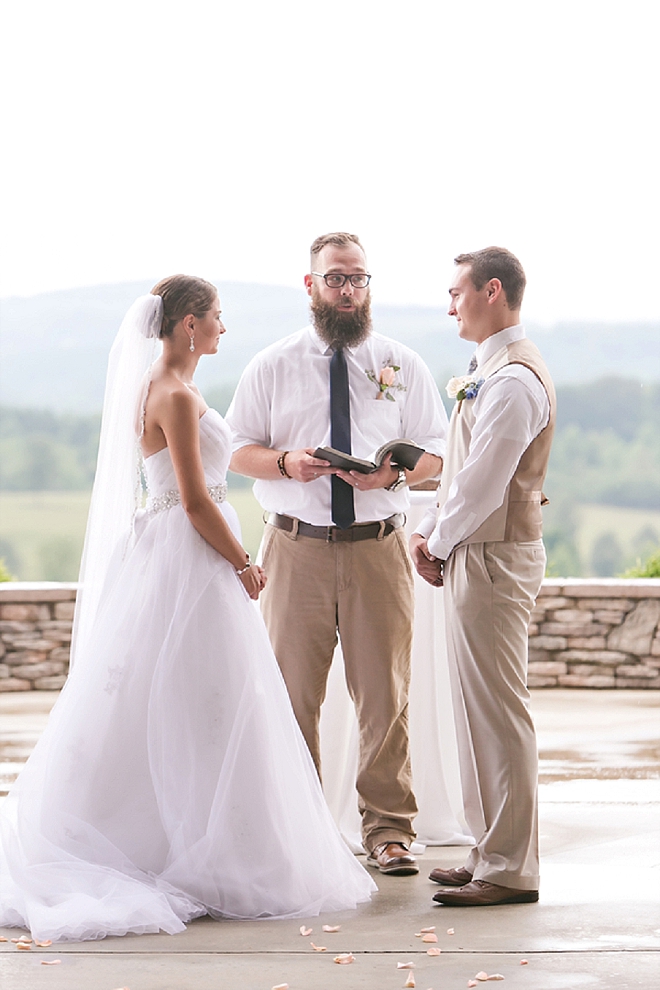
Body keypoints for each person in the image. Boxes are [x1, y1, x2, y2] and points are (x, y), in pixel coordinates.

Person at [0, 276, 375, 943]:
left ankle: (197, 835)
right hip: (190, 554)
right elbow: (197, 500)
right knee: (204, 698)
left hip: (172, 550)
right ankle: (184, 847)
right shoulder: (172, 394)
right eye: (216, 318)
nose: (223, 330)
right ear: (187, 326)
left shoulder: (163, 386)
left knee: (189, 699)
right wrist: (243, 561)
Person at [226, 233, 448, 876]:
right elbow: (236, 450)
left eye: (357, 279)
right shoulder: (272, 365)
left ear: (368, 284)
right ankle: (298, 834)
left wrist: (394, 476)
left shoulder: (401, 363)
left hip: (379, 550)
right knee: (293, 696)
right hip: (295, 548)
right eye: (335, 280)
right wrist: (286, 462)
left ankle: (388, 833)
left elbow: (438, 456)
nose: (347, 290)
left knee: (386, 695)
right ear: (310, 285)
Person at [410, 247, 555, 906]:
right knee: (475, 711)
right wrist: (436, 535)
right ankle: (486, 849)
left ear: (491, 292)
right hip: (478, 551)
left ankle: (510, 869)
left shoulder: (515, 380)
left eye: (456, 293)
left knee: (499, 713)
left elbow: (482, 485)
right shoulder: (489, 370)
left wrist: (436, 542)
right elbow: (464, 473)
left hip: (494, 556)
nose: (450, 306)